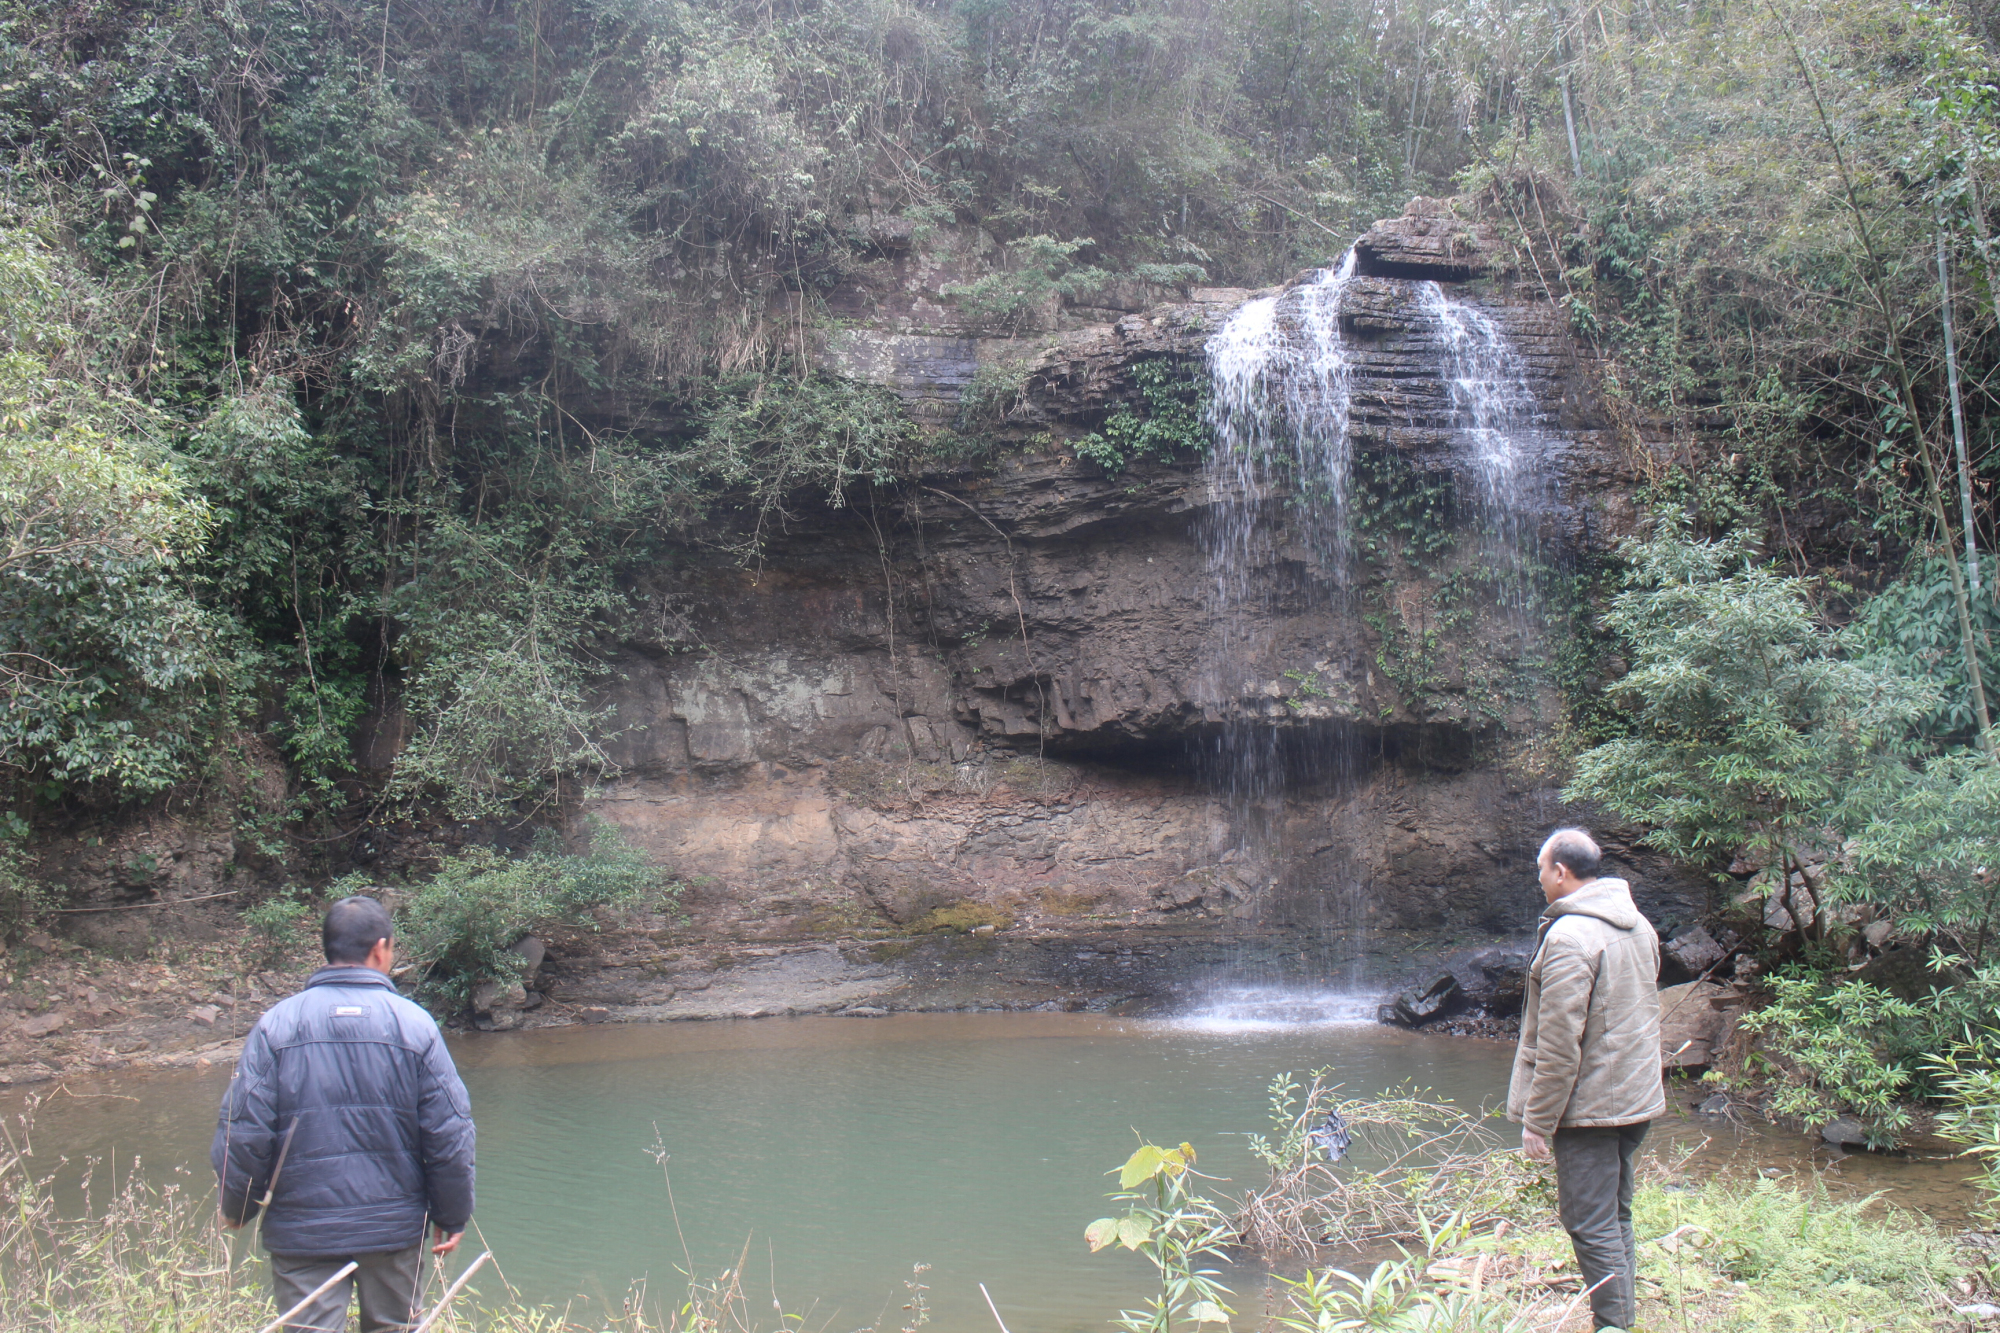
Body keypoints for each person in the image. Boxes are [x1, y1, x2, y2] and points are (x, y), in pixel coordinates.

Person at [214, 895, 477, 1332]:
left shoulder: (276, 1025)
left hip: (303, 1232)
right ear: (381, 948)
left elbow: (245, 1132)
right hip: (392, 1229)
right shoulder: (414, 1025)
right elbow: (450, 1133)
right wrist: (451, 1214)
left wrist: (238, 1207)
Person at [1507, 828, 1663, 1333]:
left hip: (1591, 1106)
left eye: (1540, 868)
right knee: (1615, 1216)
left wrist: (1538, 1119)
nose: (1538, 878)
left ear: (1561, 872)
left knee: (1589, 1222)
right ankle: (1621, 1318)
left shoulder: (1570, 937)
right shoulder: (1638, 924)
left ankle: (1613, 1325)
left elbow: (1558, 1044)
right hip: (1635, 1096)